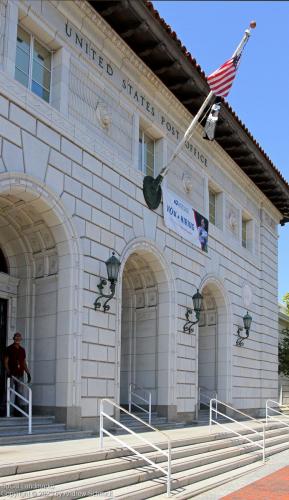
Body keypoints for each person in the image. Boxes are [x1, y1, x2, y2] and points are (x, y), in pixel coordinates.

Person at [4, 333, 31, 415]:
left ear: (21, 339)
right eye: (16, 337)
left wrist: (28, 373)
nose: (18, 338)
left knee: (20, 392)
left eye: (19, 337)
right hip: (12, 374)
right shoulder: (9, 348)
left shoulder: (22, 350)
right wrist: (8, 371)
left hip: (20, 374)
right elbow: (5, 361)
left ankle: (18, 411)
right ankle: (4, 410)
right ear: (13, 338)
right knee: (9, 391)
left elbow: (23, 362)